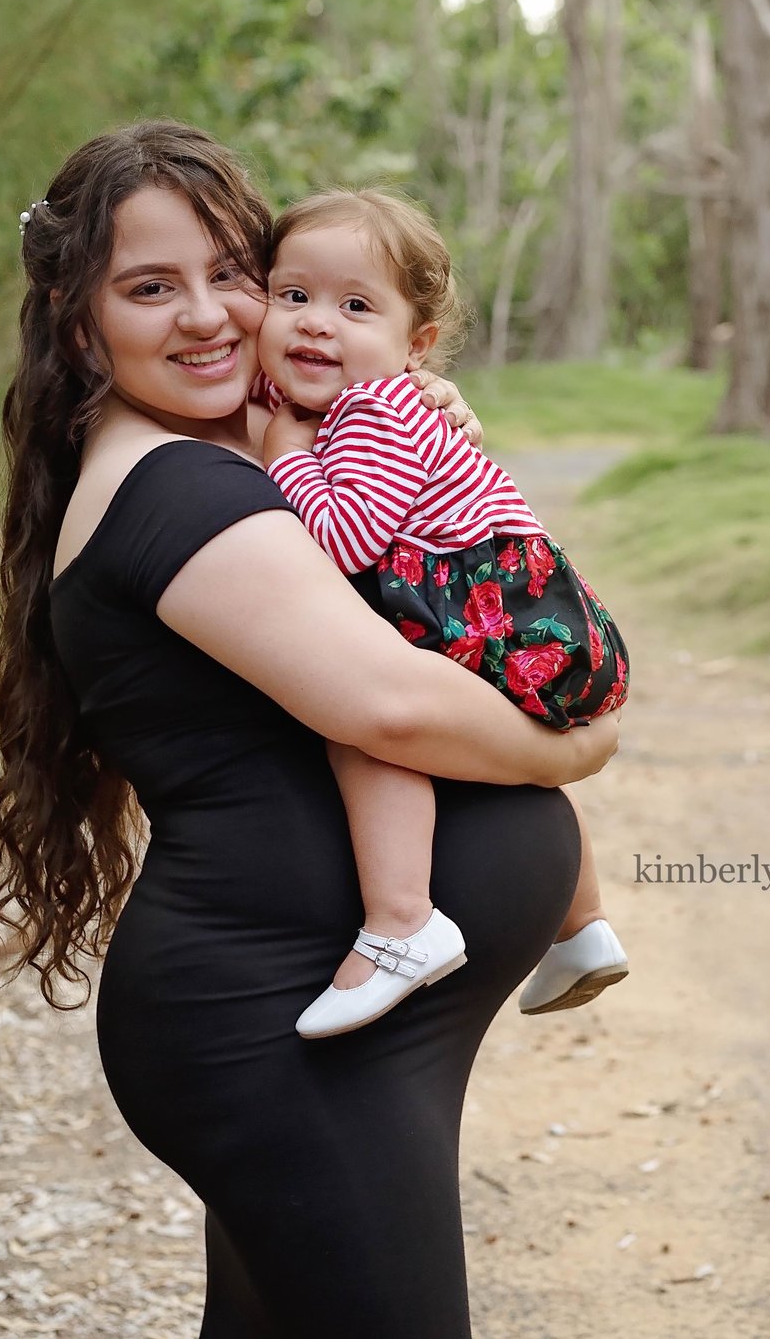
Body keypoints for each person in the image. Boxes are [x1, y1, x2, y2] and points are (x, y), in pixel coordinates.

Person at [0, 120, 620, 1337]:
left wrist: (399, 400)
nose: (211, 316)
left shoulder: (198, 460)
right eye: (151, 287)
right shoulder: (177, 489)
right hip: (272, 1023)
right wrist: (576, 750)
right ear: (79, 325)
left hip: (309, 1020)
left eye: (233, 273)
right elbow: (383, 702)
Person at [253, 187, 631, 1039]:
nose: (317, 322)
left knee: (360, 725)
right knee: (486, 756)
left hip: (493, 617)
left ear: (413, 343)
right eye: (293, 296)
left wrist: (284, 454)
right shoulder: (366, 399)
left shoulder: (379, 409)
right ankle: (581, 925)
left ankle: (402, 922)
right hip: (509, 616)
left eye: (355, 306)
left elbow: (347, 537)